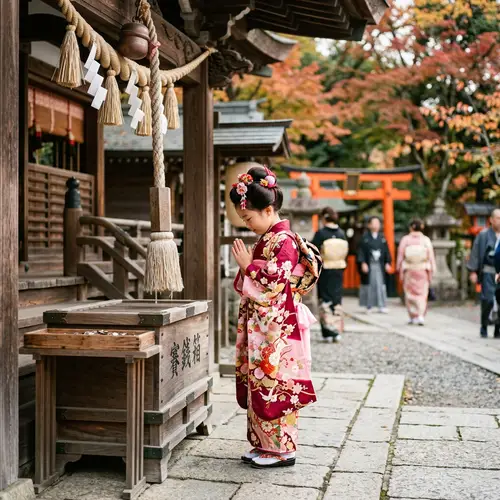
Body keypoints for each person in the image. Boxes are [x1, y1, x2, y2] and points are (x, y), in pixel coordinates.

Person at [230, 166, 318, 468]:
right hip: (263, 325)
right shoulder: (269, 238)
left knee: (274, 382)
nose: (247, 224)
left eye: (249, 218)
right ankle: (263, 445)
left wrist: (248, 266)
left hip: (276, 329)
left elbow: (275, 281)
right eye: (244, 219)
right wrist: (248, 267)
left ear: (268, 209)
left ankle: (282, 449)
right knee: (259, 381)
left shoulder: (284, 241)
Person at [312, 207, 348, 342]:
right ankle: (337, 330)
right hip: (338, 269)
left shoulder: (321, 234)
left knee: (325, 298)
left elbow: (313, 252)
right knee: (336, 299)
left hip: (325, 269)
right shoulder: (341, 233)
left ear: (324, 218)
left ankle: (328, 331)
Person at [396, 219, 436, 325]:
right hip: (422, 269)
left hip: (409, 269)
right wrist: (432, 270)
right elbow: (431, 256)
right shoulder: (425, 240)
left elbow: (400, 255)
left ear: (411, 227)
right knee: (422, 293)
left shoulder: (406, 240)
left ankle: (412, 315)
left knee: (410, 293)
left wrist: (399, 269)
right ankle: (421, 315)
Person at [468, 208, 500, 338]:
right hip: (488, 271)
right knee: (487, 300)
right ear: (491, 220)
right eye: (497, 218)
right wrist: (473, 271)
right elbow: (475, 253)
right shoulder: (483, 235)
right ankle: (484, 325)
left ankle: (498, 328)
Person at [357, 216, 392, 313]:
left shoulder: (382, 238)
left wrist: (387, 262)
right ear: (369, 225)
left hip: (379, 265)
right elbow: (361, 252)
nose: (376, 225)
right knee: (369, 285)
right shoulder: (365, 238)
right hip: (370, 264)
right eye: (374, 223)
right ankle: (369, 305)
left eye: (378, 223)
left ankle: (382, 305)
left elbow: (386, 252)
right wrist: (363, 262)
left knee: (381, 285)